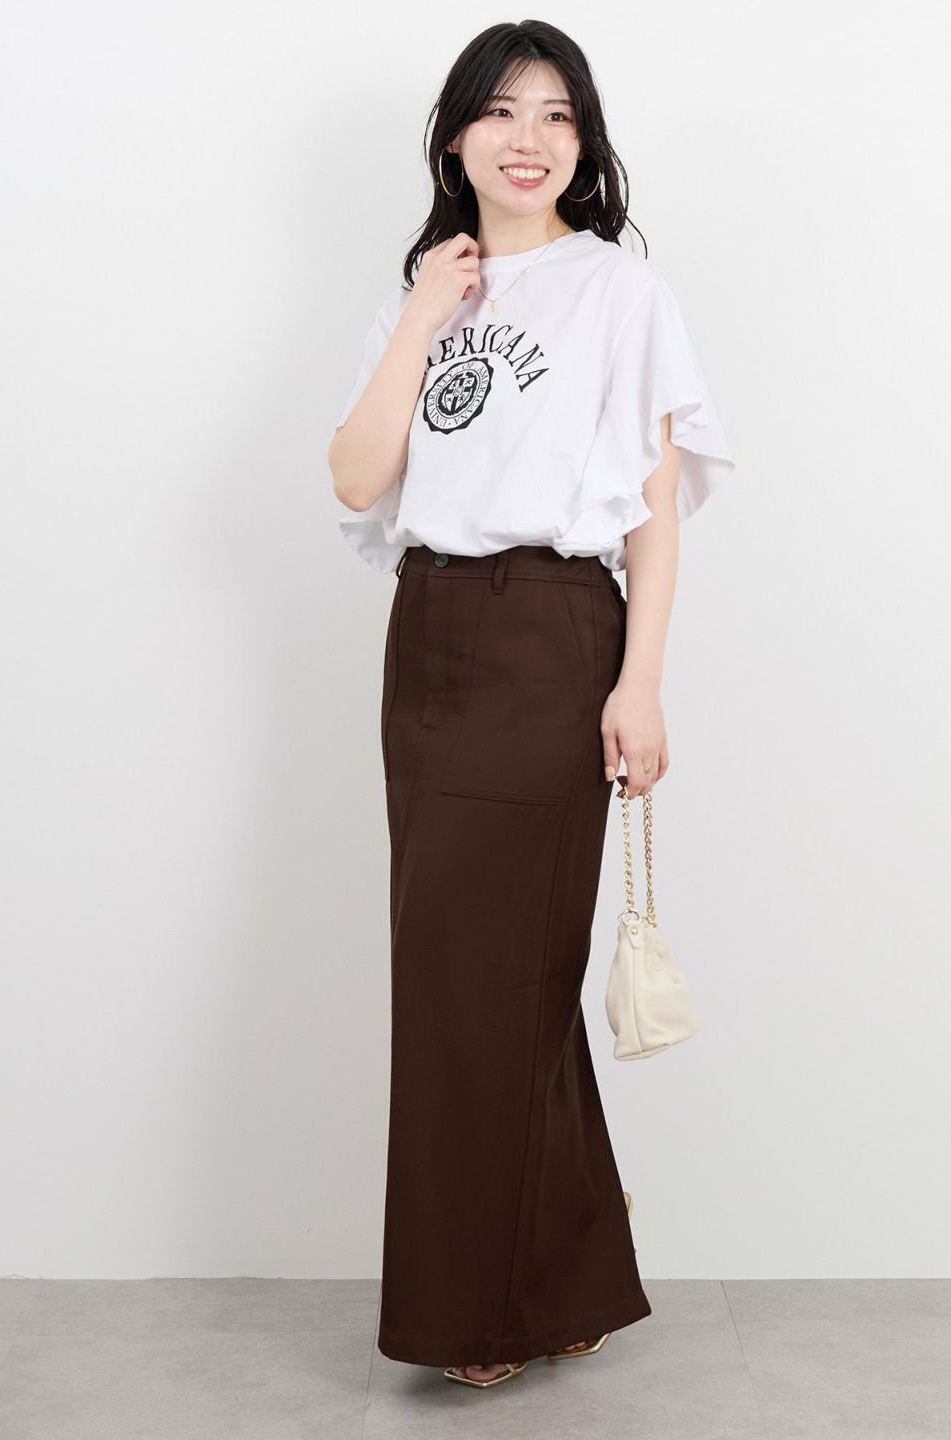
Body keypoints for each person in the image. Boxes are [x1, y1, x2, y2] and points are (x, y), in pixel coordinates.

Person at [326, 20, 735, 1389]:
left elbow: (654, 514)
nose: (529, 139)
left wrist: (640, 680)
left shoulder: (618, 290)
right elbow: (356, 476)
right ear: (455, 138)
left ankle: (474, 1317)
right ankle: (565, 1285)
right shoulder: (423, 293)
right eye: (502, 112)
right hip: (430, 633)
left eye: (558, 115)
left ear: (584, 142)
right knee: (472, 971)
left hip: (553, 634)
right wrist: (424, 315)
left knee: (487, 975)